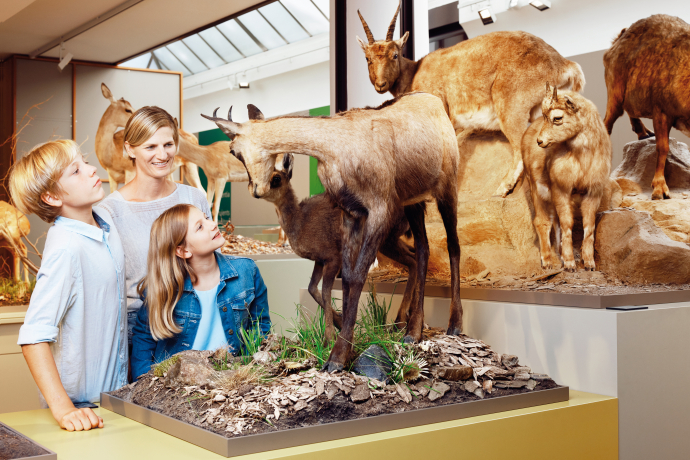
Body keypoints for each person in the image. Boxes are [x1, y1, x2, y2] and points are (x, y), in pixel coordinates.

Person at [10, 140, 127, 431]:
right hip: (83, 408)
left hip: (117, 398)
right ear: (50, 196)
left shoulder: (106, 222)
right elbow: (34, 336)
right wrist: (65, 411)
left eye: (84, 161)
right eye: (75, 170)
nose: (91, 170)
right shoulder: (65, 249)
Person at [96, 106, 211, 352]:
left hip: (194, 320)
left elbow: (210, 262)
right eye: (150, 147)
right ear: (130, 149)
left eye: (168, 144)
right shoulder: (109, 211)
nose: (162, 155)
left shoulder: (194, 198)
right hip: (139, 330)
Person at [131, 204, 271, 380]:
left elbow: (261, 326)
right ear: (183, 251)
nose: (212, 224)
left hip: (230, 383)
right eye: (200, 226)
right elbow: (144, 338)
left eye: (206, 218)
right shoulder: (164, 289)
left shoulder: (246, 270)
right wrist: (145, 384)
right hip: (176, 389)